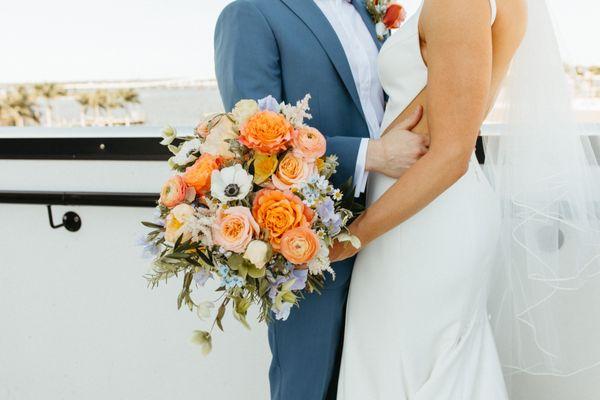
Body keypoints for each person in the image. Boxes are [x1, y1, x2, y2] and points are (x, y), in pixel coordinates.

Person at [214, 1, 427, 399]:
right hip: (314, 241)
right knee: (309, 386)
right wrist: (374, 155)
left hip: (393, 228)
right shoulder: (249, 13)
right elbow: (255, 143)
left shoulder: (367, 11)